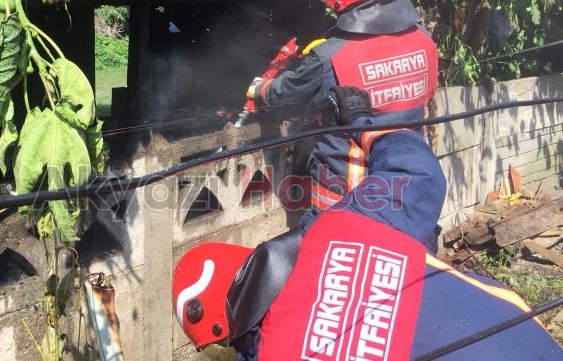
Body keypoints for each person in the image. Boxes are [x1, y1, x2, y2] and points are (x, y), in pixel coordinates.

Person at [172, 87, 562, 360]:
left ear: (224, 336)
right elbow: (417, 172)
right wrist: (361, 122)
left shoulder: (280, 352)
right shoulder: (342, 227)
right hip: (534, 341)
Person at [246, 0, 439, 219]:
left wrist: (261, 89)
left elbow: (286, 96)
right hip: (409, 188)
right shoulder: (424, 39)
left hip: (349, 200)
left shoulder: (330, 56)